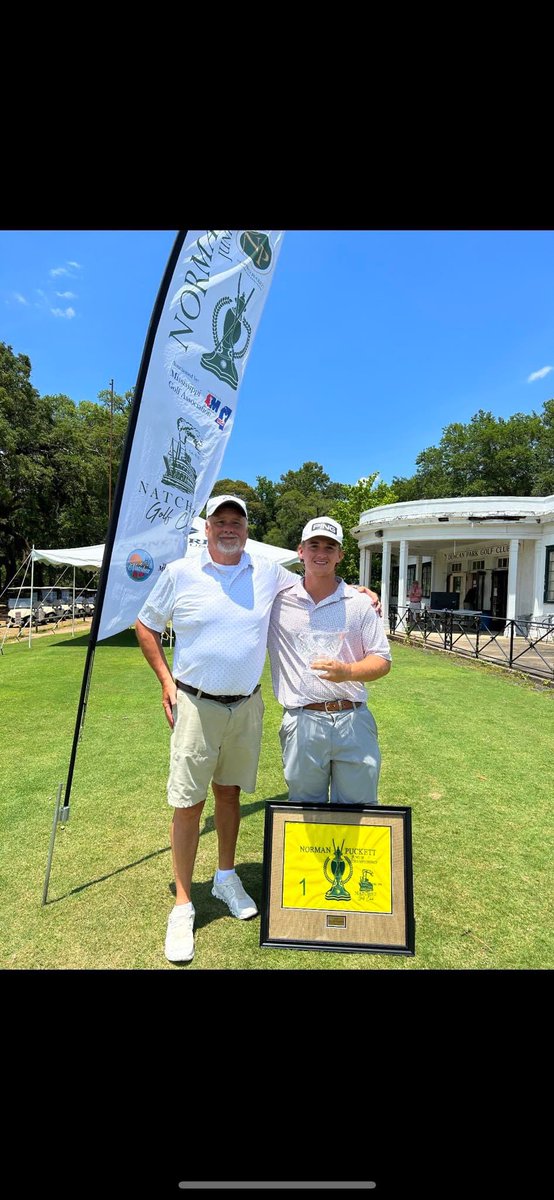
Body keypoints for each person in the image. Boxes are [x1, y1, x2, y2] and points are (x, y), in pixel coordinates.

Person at [136, 494, 381, 963]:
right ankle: (183, 904)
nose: (229, 528)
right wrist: (166, 681)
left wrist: (360, 591)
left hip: (246, 705)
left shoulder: (268, 573)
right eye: (220, 521)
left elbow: (319, 577)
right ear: (207, 528)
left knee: (229, 795)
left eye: (237, 521)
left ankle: (226, 877)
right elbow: (145, 626)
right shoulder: (180, 572)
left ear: (247, 530)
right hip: (195, 703)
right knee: (189, 804)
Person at [267, 517, 392, 807]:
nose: (321, 553)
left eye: (329, 547)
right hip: (302, 719)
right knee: (305, 810)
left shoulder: (359, 603)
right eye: (314, 545)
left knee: (358, 810)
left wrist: (347, 671)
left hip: (353, 719)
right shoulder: (277, 601)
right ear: (301, 551)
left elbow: (382, 660)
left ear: (340, 555)